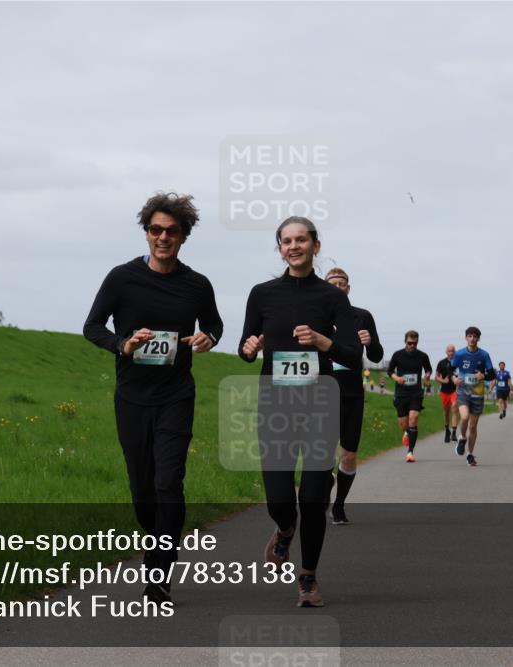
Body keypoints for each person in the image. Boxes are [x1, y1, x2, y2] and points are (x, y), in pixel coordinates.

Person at [83, 192, 223, 604]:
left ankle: (159, 570)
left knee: (168, 480)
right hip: (131, 397)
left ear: (184, 236)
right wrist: (123, 344)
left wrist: (207, 338)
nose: (163, 237)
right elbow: (92, 326)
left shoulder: (197, 284)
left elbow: (214, 324)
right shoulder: (122, 278)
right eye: (155, 230)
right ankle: (156, 543)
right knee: (142, 486)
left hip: (176, 394)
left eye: (171, 231)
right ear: (146, 233)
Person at [239, 216, 361, 608]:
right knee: (278, 498)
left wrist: (325, 341)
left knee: (312, 497)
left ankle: (307, 577)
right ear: (280, 248)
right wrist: (249, 348)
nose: (294, 246)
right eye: (287, 241)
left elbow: (353, 356)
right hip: (275, 403)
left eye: (301, 240)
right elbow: (246, 343)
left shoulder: (331, 298)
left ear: (316, 246)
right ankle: (284, 529)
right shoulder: (262, 294)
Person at [325, 267, 384, 526]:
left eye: (342, 283)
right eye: (333, 283)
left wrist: (370, 342)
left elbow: (377, 356)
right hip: (323, 390)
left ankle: (338, 506)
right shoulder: (316, 315)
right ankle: (319, 499)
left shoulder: (362, 316)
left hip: (352, 392)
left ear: (348, 288)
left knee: (348, 454)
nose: (338, 287)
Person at [451, 326, 495, 467]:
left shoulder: (484, 355)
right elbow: (449, 368)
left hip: (477, 392)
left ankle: (470, 454)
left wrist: (483, 375)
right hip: (463, 391)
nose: (472, 339)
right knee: (464, 417)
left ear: (478, 339)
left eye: (475, 336)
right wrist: (453, 378)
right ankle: (462, 438)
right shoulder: (459, 354)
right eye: (469, 336)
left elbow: (492, 374)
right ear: (466, 338)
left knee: (474, 426)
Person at [388, 331, 433, 462]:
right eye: (409, 343)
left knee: (414, 418)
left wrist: (427, 375)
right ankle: (407, 431)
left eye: (414, 343)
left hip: (416, 392)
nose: (412, 345)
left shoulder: (423, 356)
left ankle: (410, 452)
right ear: (405, 342)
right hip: (401, 393)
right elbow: (389, 371)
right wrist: (397, 378)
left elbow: (428, 369)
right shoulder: (397, 355)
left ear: (417, 342)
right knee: (403, 424)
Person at [434, 344, 460, 443]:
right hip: (444, 391)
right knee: (446, 412)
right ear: (446, 352)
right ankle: (447, 431)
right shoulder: (441, 363)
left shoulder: (458, 363)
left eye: (453, 351)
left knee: (454, 408)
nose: (451, 353)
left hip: (455, 390)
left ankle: (453, 432)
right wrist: (443, 381)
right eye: (449, 351)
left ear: (455, 352)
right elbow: (436, 377)